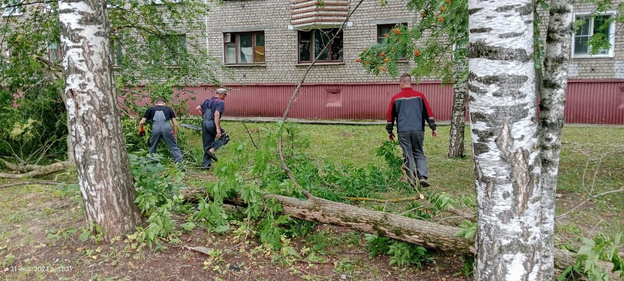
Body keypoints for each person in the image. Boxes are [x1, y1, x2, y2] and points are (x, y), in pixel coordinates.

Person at [386, 74, 437, 187]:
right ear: (410, 82)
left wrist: (390, 131)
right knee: (419, 152)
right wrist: (433, 127)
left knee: (408, 154)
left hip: (403, 131)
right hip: (418, 130)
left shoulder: (396, 98)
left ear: (402, 83)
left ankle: (411, 180)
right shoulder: (420, 96)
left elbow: (390, 116)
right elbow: (428, 112)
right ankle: (422, 176)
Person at [139, 98, 184, 164]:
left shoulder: (150, 109)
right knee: (173, 146)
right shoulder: (169, 109)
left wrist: (141, 129)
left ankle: (151, 165)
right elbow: (175, 124)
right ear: (164, 103)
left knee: (152, 146)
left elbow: (141, 122)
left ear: (156, 103)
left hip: (155, 129)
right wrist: (175, 135)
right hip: (167, 129)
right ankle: (180, 164)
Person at [195, 88, 230, 169]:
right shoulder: (220, 102)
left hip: (204, 123)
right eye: (225, 95)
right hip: (212, 123)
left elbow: (197, 108)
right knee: (225, 137)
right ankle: (212, 150)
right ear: (221, 94)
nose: (225, 96)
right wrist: (218, 129)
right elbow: (216, 114)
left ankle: (205, 165)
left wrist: (204, 117)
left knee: (207, 143)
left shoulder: (208, 100)